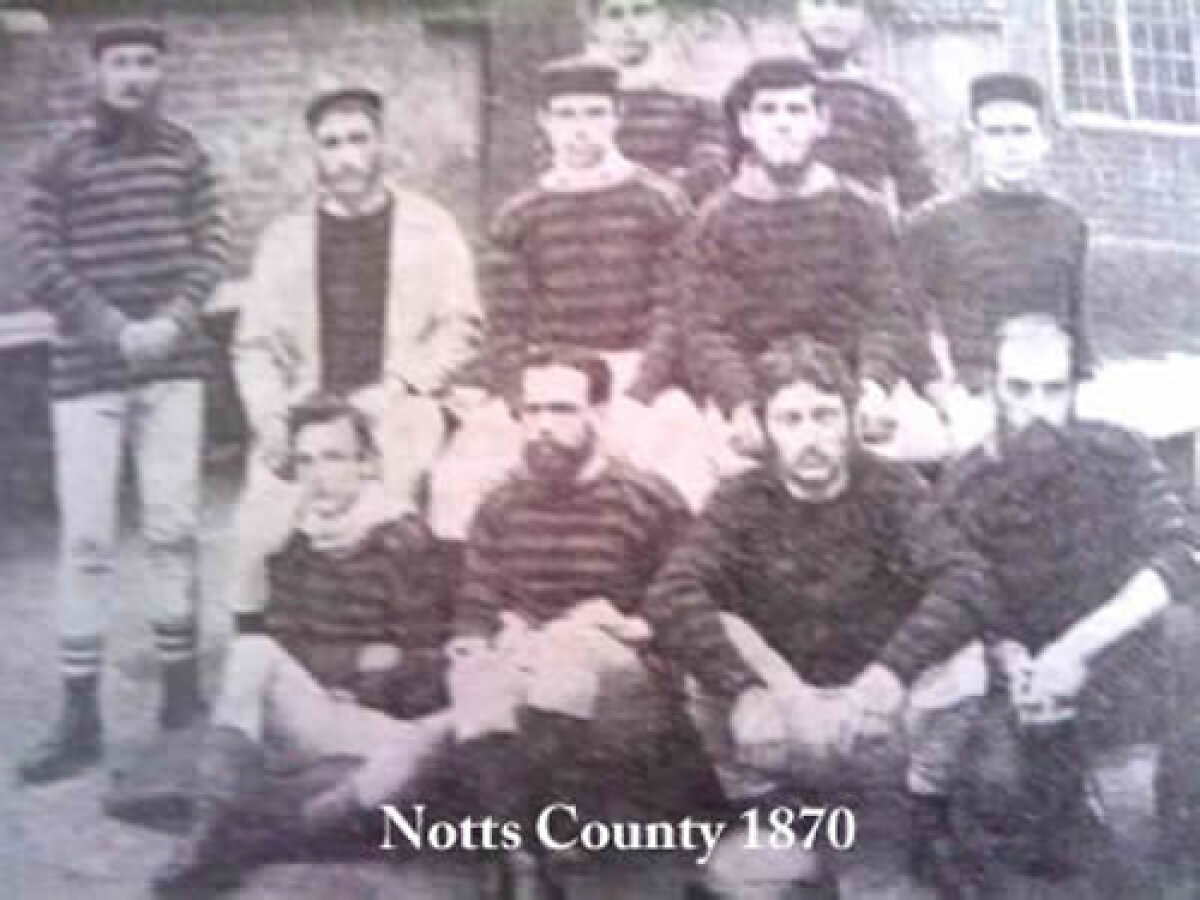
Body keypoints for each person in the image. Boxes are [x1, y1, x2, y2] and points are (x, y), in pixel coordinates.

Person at [647, 335, 992, 898]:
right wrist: (749, 688)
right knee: (705, 656)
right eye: (791, 419)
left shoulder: (894, 487)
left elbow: (966, 578)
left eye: (825, 416)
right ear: (766, 427)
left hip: (875, 707)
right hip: (784, 708)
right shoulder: (739, 498)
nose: (810, 437)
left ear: (852, 420)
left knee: (963, 663)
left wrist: (890, 673)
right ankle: (765, 811)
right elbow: (672, 592)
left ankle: (925, 813)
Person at [18, 21, 228, 784]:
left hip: (175, 368)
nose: (133, 76)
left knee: (174, 530)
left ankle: (181, 701)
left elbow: (213, 247)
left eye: (146, 62)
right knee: (87, 541)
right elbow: (37, 259)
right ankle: (80, 717)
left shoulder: (186, 151)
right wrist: (113, 328)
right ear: (96, 71)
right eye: (120, 63)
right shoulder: (59, 159)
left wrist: (172, 321)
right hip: (88, 373)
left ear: (161, 71)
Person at [937, 314, 1199, 894]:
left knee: (1140, 829)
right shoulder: (966, 481)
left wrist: (1076, 651)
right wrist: (1016, 664)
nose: (1037, 410)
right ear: (994, 389)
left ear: (1074, 390)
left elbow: (1181, 554)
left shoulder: (1121, 454)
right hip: (1020, 682)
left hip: (1118, 668)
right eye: (1020, 390)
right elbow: (962, 592)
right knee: (995, 799)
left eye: (1053, 390)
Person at [152, 394, 453, 896]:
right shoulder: (292, 535)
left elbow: (427, 660)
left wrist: (368, 681)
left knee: (427, 744)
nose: (317, 477)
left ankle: (257, 843)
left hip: (382, 723)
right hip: (316, 707)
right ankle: (205, 833)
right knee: (251, 653)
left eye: (334, 458)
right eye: (306, 461)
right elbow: (282, 637)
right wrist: (355, 659)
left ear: (368, 464)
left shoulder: (404, 540)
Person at [432, 55, 711, 541]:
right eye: (566, 115)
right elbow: (505, 327)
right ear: (545, 121)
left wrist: (640, 394)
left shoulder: (661, 201)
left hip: (632, 371)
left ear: (617, 117)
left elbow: (674, 314)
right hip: (546, 375)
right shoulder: (519, 214)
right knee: (460, 476)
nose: (581, 130)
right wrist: (519, 402)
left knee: (682, 453)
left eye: (594, 113)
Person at [449, 347, 693, 899]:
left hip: (627, 693)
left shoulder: (647, 499)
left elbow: (691, 598)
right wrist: (476, 642)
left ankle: (551, 841)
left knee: (568, 647)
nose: (542, 426)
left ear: (599, 414)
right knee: (477, 672)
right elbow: (476, 602)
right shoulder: (501, 506)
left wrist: (635, 624)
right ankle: (519, 858)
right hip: (532, 675)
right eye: (531, 411)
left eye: (561, 410)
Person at [230, 83, 480, 617]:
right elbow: (254, 346)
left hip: (400, 401)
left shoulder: (430, 226)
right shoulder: (285, 239)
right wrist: (270, 418)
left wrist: (401, 384)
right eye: (332, 144)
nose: (347, 157)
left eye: (358, 140)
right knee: (260, 518)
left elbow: (460, 325)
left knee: (391, 504)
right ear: (315, 154)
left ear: (381, 144)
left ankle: (411, 629)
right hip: (311, 406)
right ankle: (256, 641)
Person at [685, 55, 935, 468]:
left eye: (796, 110)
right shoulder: (715, 220)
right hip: (758, 387)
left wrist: (874, 387)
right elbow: (706, 330)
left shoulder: (862, 210)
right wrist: (740, 405)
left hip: (850, 381)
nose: (783, 124)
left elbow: (889, 312)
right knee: (719, 464)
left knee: (923, 442)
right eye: (768, 111)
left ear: (821, 122)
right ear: (746, 125)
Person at [904, 72, 1090, 452]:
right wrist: (942, 394)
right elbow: (907, 320)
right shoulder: (936, 224)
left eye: (1021, 132)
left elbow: (1075, 320)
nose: (1010, 147)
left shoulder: (1068, 223)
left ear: (1044, 141)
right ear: (976, 142)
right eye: (995, 133)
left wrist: (1080, 386)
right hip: (975, 395)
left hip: (1048, 388)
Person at [795, 0, 937, 212]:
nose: (830, 15)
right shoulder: (764, 92)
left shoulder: (887, 101)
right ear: (798, 10)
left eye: (845, 4)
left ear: (864, 16)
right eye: (818, 3)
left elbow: (919, 201)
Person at [584, 0, 731, 201]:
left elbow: (712, 166)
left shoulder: (697, 94)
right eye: (615, 15)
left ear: (661, 19)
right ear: (596, 26)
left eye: (640, 12)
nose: (629, 26)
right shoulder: (577, 95)